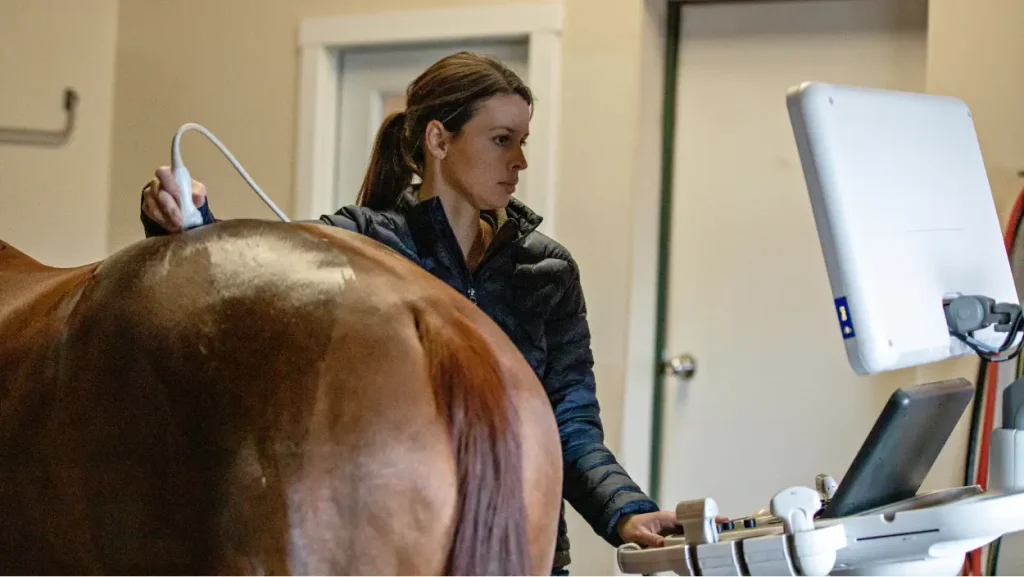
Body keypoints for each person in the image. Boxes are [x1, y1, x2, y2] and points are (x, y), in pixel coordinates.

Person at [140, 51, 679, 574]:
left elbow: (569, 424)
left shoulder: (548, 271)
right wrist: (190, 220)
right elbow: (253, 292)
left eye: (523, 142)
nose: (520, 162)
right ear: (439, 140)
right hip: (399, 547)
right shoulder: (360, 243)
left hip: (524, 548)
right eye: (501, 140)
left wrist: (626, 511)